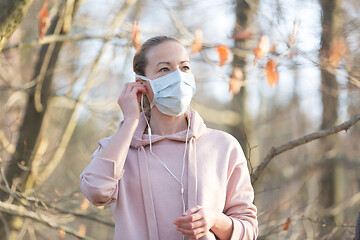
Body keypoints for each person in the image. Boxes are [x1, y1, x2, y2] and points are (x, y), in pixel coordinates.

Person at [80, 36, 258, 240]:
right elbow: (96, 191)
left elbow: (248, 230)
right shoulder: (119, 148)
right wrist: (130, 121)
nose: (178, 77)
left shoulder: (224, 147)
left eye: (184, 68)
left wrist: (215, 219)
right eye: (164, 69)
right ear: (142, 84)